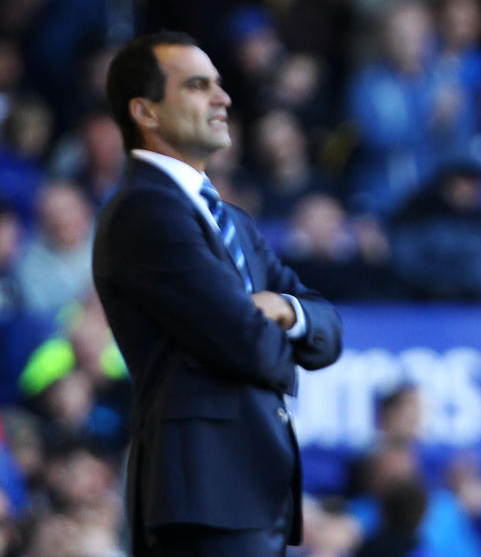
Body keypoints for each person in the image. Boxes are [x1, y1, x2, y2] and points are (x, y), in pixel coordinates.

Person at [93, 32, 343, 556]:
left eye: (221, 85)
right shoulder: (145, 211)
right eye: (198, 86)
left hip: (247, 491)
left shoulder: (233, 221)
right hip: (202, 495)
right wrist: (279, 333)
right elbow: (246, 343)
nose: (223, 99)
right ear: (147, 112)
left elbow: (327, 332)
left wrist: (288, 312)